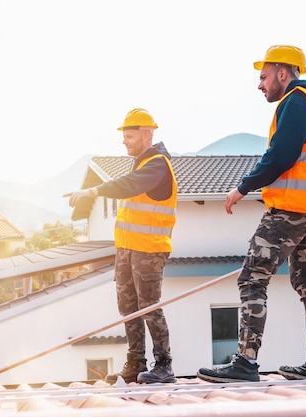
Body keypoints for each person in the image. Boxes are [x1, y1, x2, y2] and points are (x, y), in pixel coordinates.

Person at [197, 45, 306, 383]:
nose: (260, 85)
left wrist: (244, 186)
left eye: (264, 76)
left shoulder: (296, 101)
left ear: (283, 73)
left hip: (290, 207)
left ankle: (245, 361)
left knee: (252, 277)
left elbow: (281, 154)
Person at [68, 108, 178, 384]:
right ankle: (136, 362)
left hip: (149, 250)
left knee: (148, 307)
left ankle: (164, 365)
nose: (124, 141)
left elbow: (128, 186)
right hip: (128, 250)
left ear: (146, 134)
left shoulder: (157, 165)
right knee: (128, 307)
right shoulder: (142, 164)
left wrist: (93, 191)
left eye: (129, 136)